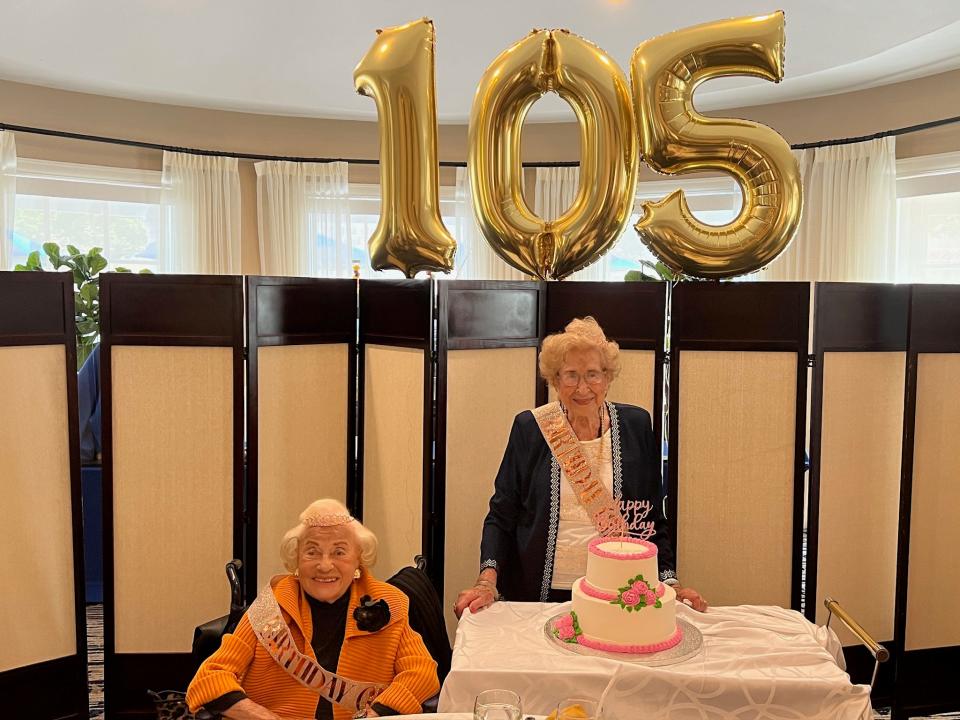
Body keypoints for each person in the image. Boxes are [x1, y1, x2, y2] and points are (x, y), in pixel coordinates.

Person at [455, 317, 707, 618]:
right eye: (571, 375)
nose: (583, 387)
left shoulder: (636, 426)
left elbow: (651, 517)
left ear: (608, 377)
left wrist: (670, 582)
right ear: (555, 379)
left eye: (592, 375)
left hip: (617, 592)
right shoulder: (531, 428)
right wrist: (487, 581)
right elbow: (501, 515)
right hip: (537, 596)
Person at [187, 499, 439, 720]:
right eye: (312, 552)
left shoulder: (387, 602)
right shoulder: (270, 607)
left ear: (358, 560)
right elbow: (210, 678)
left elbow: (422, 672)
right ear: (296, 559)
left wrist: (375, 714)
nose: (325, 565)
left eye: (339, 552)